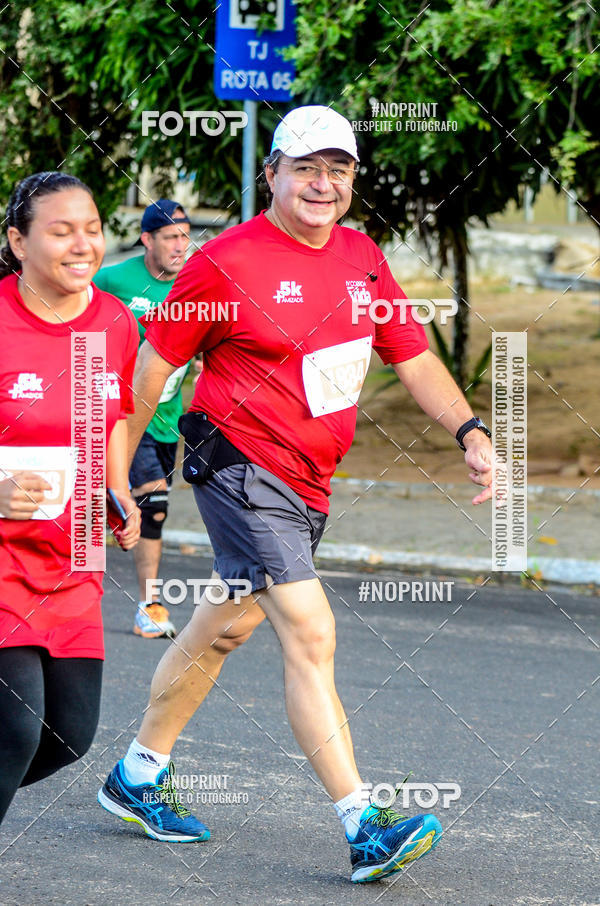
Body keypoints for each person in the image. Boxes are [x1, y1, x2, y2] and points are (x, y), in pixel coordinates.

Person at [98, 107, 494, 882]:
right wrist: (116, 472)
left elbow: (411, 356)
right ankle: (364, 826)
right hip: (238, 462)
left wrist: (471, 432)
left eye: (338, 170)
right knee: (310, 631)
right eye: (305, 168)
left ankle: (138, 776)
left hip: (308, 478)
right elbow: (153, 370)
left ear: (351, 181)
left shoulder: (362, 257)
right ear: (271, 172)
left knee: (224, 627)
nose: (323, 184)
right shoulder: (224, 262)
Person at [0, 171, 141, 824]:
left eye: (92, 229)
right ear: (18, 242)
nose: (83, 244)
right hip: (2, 561)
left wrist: (119, 491)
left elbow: (110, 417)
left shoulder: (113, 322)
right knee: (15, 731)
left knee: (68, 738)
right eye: (61, 231)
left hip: (72, 558)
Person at [95, 200, 192, 640]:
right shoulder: (114, 279)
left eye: (186, 236)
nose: (180, 245)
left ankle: (81, 583)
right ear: (147, 239)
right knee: (152, 506)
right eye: (171, 236)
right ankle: (149, 606)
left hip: (167, 418)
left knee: (131, 509)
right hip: (121, 414)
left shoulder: (195, 283)